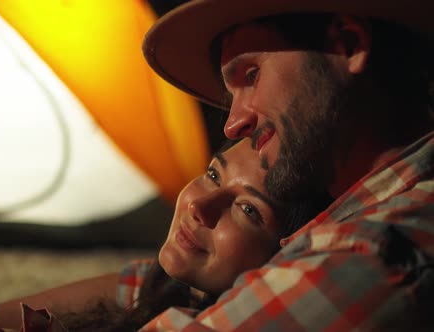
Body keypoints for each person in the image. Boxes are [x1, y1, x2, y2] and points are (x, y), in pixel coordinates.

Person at [137, 0, 434, 330]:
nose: (233, 126)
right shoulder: (356, 219)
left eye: (252, 75)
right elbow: (139, 284)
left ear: (348, 45)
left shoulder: (373, 255)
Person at [0, 138, 331, 331]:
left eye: (246, 210)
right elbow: (128, 285)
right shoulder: (170, 287)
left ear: (286, 251)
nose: (198, 207)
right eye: (212, 175)